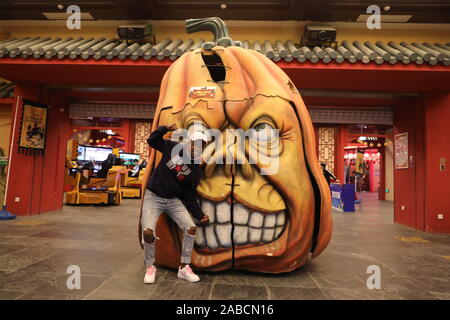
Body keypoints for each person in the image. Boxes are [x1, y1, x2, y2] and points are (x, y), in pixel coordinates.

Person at [141, 124, 210, 284]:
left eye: (201, 145)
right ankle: (150, 266)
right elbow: (152, 140)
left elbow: (189, 195)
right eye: (195, 143)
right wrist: (164, 129)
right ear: (189, 143)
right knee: (148, 232)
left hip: (173, 200)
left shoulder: (196, 169)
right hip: (153, 196)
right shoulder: (172, 147)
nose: (197, 148)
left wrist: (199, 214)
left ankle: (184, 267)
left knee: (191, 228)